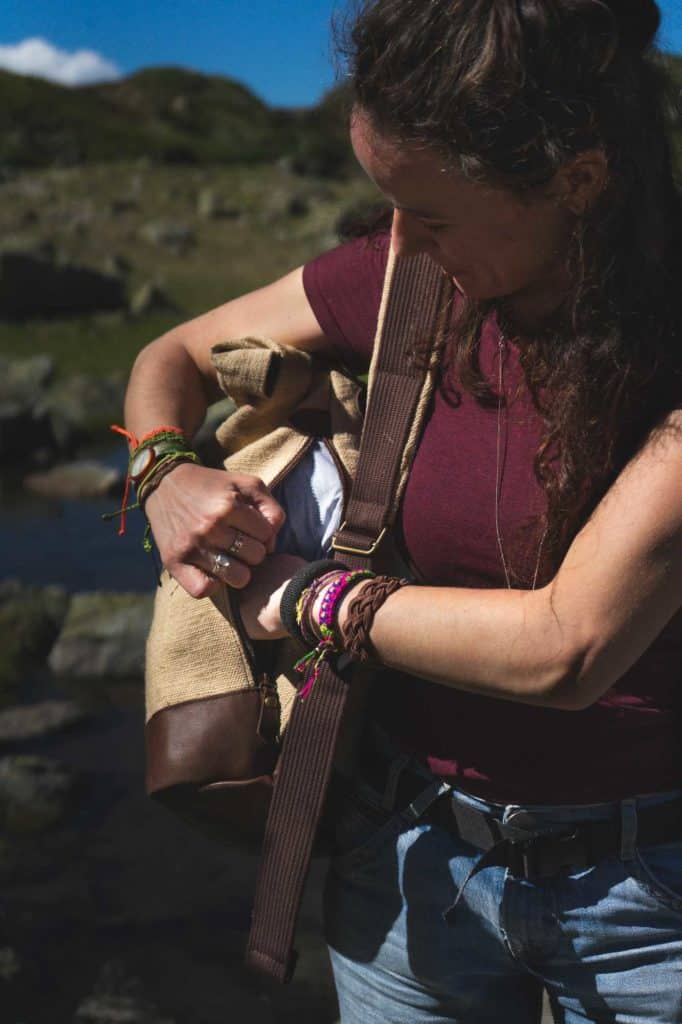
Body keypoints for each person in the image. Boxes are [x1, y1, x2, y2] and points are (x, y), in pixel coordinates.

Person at [123, 1, 682, 1020]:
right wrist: (163, 472)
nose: (399, 243)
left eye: (429, 213)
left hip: (649, 908)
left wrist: (305, 601)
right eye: (385, 203)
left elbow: (565, 646)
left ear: (577, 181)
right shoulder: (402, 280)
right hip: (409, 863)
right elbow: (168, 356)